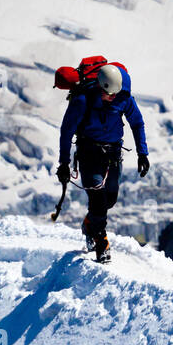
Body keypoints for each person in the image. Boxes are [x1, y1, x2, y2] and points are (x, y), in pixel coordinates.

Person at [56, 63, 149, 261]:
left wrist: (143, 153)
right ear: (99, 86)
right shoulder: (82, 100)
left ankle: (90, 223)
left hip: (112, 154)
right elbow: (67, 132)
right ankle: (101, 242)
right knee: (97, 196)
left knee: (110, 200)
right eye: (109, 94)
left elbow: (137, 122)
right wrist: (63, 163)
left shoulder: (123, 97)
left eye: (115, 94)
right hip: (89, 152)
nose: (112, 98)